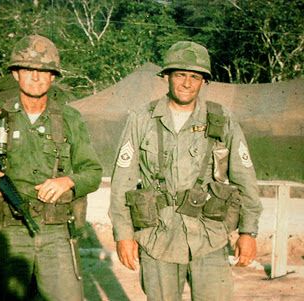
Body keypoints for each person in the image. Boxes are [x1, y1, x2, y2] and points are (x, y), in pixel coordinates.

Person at [109, 41, 263, 300]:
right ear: (167, 77)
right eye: (180, 74)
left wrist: (248, 231)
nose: (187, 83)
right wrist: (123, 235)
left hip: (209, 236)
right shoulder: (141, 119)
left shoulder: (221, 119)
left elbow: (245, 177)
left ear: (204, 81)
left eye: (195, 76)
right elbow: (121, 183)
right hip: (157, 237)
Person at [0, 34, 102, 301]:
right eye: (28, 70)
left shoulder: (69, 119)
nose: (35, 77)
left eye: (43, 71)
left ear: (53, 77)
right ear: (15, 74)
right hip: (8, 233)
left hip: (56, 232)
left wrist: (66, 182)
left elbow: (92, 172)